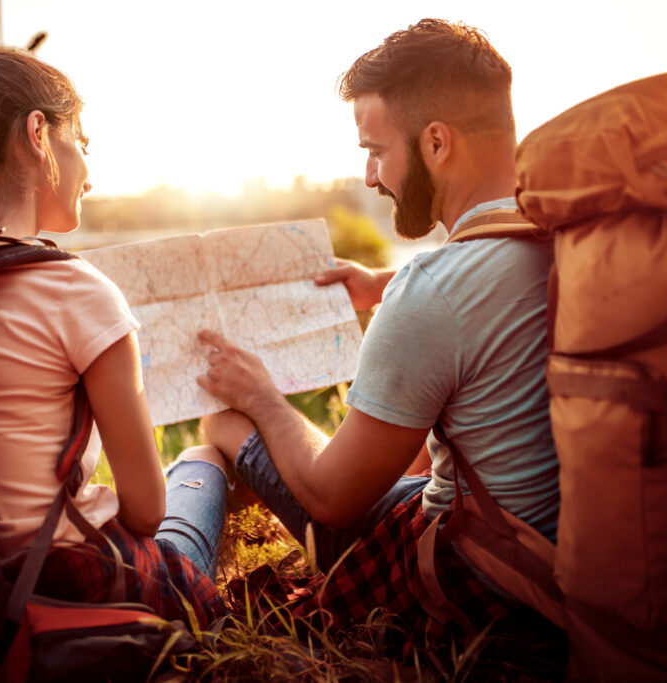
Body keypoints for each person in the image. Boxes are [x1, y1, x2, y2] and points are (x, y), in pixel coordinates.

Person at [196, 19, 559, 636]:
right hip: (563, 559)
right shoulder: (566, 230)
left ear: (437, 143)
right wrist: (384, 281)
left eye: (376, 150)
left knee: (224, 421)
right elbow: (480, 290)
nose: (370, 177)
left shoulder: (433, 289)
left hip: (481, 576)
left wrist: (258, 392)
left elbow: (333, 497)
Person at [0, 50, 228, 627]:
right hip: (61, 579)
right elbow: (146, 511)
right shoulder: (76, 289)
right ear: (38, 133)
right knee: (201, 461)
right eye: (84, 144)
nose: (90, 172)